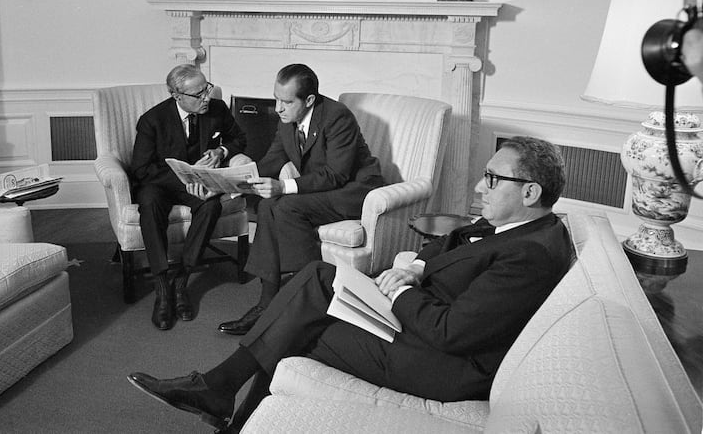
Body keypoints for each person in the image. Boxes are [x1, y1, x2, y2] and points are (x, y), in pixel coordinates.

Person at [127, 136, 574, 431]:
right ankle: (222, 396)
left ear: (530, 192)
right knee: (319, 276)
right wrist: (416, 265)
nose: (481, 184)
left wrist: (400, 291)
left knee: (297, 328)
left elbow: (453, 333)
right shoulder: (511, 224)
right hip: (417, 325)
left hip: (444, 363)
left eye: (493, 179)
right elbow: (454, 241)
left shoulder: (530, 254)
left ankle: (222, 396)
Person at [217, 63, 385, 336]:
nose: (278, 108)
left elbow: (336, 175)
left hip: (353, 191)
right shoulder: (287, 120)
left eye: (286, 101)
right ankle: (269, 303)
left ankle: (306, 299)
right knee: (268, 204)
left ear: (308, 100)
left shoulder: (337, 117)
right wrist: (227, 183)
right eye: (276, 99)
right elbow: (273, 159)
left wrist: (283, 186)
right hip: (324, 190)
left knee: (285, 205)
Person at [131, 64, 246, 330]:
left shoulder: (217, 109)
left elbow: (240, 138)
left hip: (198, 183)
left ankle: (181, 281)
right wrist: (185, 181)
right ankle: (162, 288)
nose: (207, 96)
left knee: (211, 206)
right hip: (159, 182)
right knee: (148, 204)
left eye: (207, 88)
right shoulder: (152, 120)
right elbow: (141, 169)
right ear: (177, 96)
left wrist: (222, 152)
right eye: (199, 94)